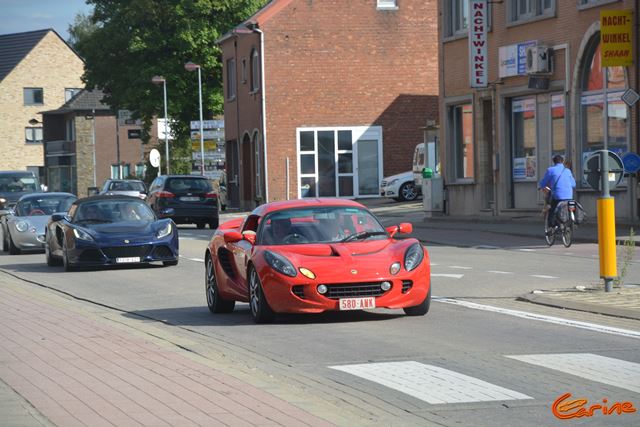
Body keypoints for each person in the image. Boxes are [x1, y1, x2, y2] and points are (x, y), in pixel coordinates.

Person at [539, 154, 576, 229]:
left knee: (551, 207)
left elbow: (543, 183)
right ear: (562, 161)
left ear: (554, 162)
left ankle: (552, 225)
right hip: (569, 196)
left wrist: (541, 186)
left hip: (557, 196)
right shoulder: (567, 171)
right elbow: (574, 184)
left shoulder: (550, 170)